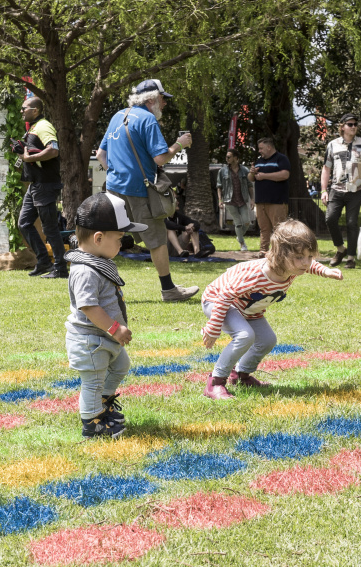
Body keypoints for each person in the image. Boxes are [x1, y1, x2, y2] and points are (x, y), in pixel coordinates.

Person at [199, 219, 343, 399]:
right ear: (280, 255)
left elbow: (310, 265)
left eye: (309, 256)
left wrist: (326, 271)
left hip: (247, 308)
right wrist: (213, 328)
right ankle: (215, 383)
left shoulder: (292, 267)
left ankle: (241, 375)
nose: (306, 263)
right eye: (300, 257)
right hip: (219, 301)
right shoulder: (257, 274)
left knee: (267, 340)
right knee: (244, 336)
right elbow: (224, 296)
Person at [97, 79, 198, 302]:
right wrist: (179, 144)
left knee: (111, 238)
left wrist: (115, 174)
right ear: (151, 99)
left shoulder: (117, 116)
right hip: (138, 190)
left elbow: (100, 155)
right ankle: (169, 290)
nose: (164, 104)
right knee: (157, 238)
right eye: (163, 99)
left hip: (113, 189)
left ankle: (102, 290)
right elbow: (160, 157)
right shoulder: (147, 119)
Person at [65, 193, 147, 439]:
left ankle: (103, 402)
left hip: (102, 339)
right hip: (90, 340)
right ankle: (93, 423)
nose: (123, 243)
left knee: (121, 365)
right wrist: (115, 329)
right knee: (93, 381)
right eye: (120, 238)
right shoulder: (85, 271)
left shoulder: (96, 260)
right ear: (99, 238)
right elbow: (89, 307)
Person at [15, 97, 68, 279]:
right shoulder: (34, 127)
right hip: (36, 185)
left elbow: (53, 150)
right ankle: (44, 261)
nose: (22, 111)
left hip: (45, 184)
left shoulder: (44, 126)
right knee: (24, 223)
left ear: (35, 110)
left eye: (24, 108)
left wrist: (29, 158)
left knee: (50, 229)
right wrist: (22, 151)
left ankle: (61, 268)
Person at [320, 114, 361, 269]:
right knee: (330, 218)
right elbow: (326, 168)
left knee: (352, 223)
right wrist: (323, 190)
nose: (354, 127)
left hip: (356, 190)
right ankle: (341, 249)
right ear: (342, 126)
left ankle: (351, 258)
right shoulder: (333, 145)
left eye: (355, 124)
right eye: (350, 124)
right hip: (336, 189)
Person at [248, 138, 290, 256]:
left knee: (279, 229)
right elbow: (251, 178)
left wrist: (265, 176)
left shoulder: (281, 159)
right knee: (264, 228)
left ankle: (279, 252)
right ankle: (263, 251)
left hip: (277, 201)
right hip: (261, 201)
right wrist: (252, 172)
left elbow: (285, 174)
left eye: (261, 148)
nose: (259, 151)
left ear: (269, 147)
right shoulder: (258, 161)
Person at [217, 148, 254, 252]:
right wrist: (220, 200)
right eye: (226, 156)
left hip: (242, 200)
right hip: (229, 200)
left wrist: (252, 199)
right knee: (238, 223)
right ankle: (242, 244)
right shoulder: (222, 171)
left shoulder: (245, 170)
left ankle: (239, 236)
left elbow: (250, 185)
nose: (227, 158)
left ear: (236, 158)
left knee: (247, 222)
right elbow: (219, 186)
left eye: (229, 157)